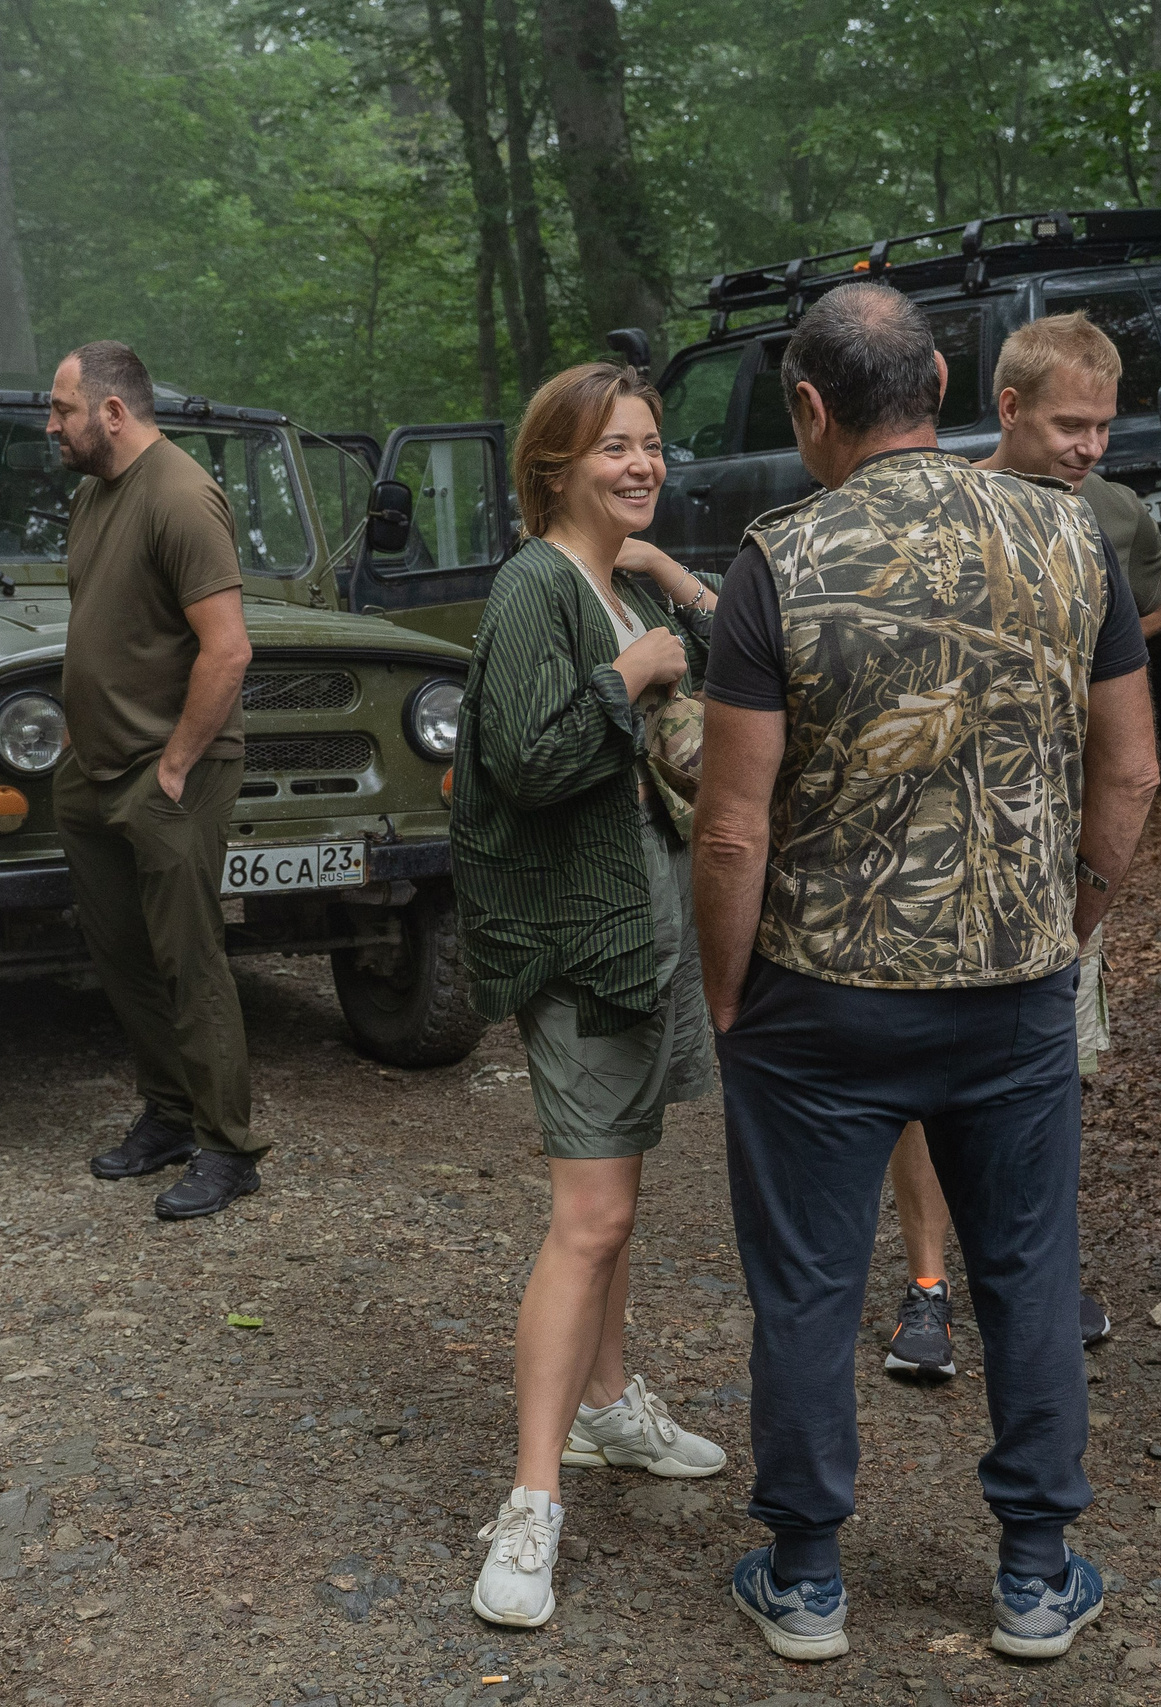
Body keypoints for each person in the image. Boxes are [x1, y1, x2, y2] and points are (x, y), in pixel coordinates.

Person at [694, 284, 1161, 1663]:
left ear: (811, 409)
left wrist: (729, 995)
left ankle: (808, 1578)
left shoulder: (775, 561)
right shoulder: (1072, 538)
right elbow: (1130, 770)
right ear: (950, 380)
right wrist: (1068, 920)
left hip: (820, 998)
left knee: (807, 1283)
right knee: (1025, 1267)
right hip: (1012, 991)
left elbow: (731, 823)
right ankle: (1032, 1572)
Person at [447, 363, 730, 1628]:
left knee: (616, 1199)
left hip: (644, 928)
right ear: (551, 466)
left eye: (651, 445)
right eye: (613, 448)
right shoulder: (532, 588)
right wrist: (635, 673)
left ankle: (613, 1407)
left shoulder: (609, 582)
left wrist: (662, 585)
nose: (640, 463)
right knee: (588, 1215)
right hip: (575, 940)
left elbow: (722, 654)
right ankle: (530, 1502)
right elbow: (523, 755)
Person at [882, 311, 1161, 1381]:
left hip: (1060, 862)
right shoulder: (945, 505)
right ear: (1005, 409)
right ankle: (926, 1288)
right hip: (938, 858)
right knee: (924, 1083)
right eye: (1068, 425)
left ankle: (1037, 1278)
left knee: (1050, 1082)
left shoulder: (1107, 517)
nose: (1089, 446)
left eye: (1103, 424)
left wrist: (1099, 671)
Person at [50, 340, 261, 1221]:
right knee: (122, 955)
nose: (50, 424)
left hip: (169, 773)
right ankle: (169, 1115)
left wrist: (174, 762)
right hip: (93, 770)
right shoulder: (93, 495)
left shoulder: (180, 494)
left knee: (189, 961)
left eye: (61, 408)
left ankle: (228, 1148)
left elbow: (228, 646)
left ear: (111, 411)